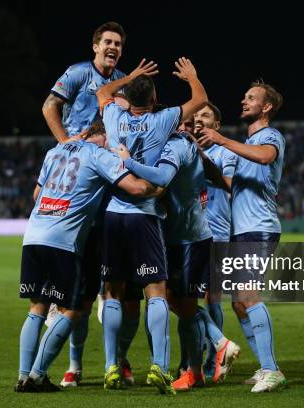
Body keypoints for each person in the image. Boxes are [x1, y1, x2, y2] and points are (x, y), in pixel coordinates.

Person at [14, 122, 159, 393]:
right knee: (72, 310)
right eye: (109, 141)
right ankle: (37, 376)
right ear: (101, 137)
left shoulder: (55, 150)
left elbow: (36, 195)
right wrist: (158, 185)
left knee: (37, 308)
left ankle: (23, 375)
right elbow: (137, 189)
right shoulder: (98, 155)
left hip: (33, 235)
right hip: (63, 242)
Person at [96, 57, 207, 394]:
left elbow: (103, 91)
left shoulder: (114, 117)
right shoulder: (163, 120)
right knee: (155, 291)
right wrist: (192, 77)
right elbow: (200, 100)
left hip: (114, 214)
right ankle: (158, 365)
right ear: (154, 98)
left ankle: (111, 367)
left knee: (113, 292)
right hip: (146, 215)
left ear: (128, 98)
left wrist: (128, 77)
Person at [40, 21, 139, 387]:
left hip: (111, 177)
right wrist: (66, 143)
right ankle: (75, 364)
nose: (112, 47)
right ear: (95, 45)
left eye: (118, 43)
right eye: (107, 42)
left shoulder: (126, 81)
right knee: (76, 283)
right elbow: (49, 106)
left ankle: (119, 360)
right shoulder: (78, 73)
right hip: (80, 178)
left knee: (118, 282)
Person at [115, 128, 241, 391]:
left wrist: (128, 161)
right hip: (179, 238)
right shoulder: (186, 144)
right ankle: (195, 369)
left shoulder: (176, 144)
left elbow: (161, 180)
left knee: (181, 304)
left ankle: (218, 345)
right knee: (172, 302)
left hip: (188, 239)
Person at [197, 80, 287, 393]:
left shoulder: (269, 136)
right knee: (238, 303)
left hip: (259, 227)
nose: (244, 100)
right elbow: (228, 184)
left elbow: (264, 157)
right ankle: (265, 366)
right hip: (242, 229)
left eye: (252, 98)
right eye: (244, 96)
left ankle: (271, 370)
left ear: (266, 107)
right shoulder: (246, 143)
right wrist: (200, 153)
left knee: (248, 296)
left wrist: (221, 140)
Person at [193, 103, 238, 379]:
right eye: (196, 116)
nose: (199, 120)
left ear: (217, 125)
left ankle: (213, 359)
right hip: (189, 232)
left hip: (216, 232)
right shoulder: (186, 150)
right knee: (186, 298)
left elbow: (230, 184)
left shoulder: (224, 152)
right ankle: (199, 357)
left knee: (212, 300)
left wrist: (202, 159)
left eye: (205, 116)